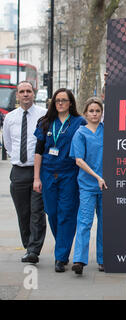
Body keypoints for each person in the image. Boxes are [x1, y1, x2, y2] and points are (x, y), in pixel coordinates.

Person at [33, 88, 87, 272]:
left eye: (64, 100)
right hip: (48, 173)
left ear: (71, 102)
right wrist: (36, 178)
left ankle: (61, 256)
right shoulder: (46, 122)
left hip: (69, 173)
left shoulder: (80, 122)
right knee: (52, 212)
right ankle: (62, 245)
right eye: (57, 100)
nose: (61, 103)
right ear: (53, 103)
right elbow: (38, 152)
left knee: (67, 213)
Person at [3, 81, 47, 264]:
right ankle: (28, 245)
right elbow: (7, 143)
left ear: (34, 93)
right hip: (18, 171)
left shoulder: (44, 115)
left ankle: (34, 250)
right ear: (18, 95)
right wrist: (17, 158)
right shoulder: (10, 118)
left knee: (37, 211)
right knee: (23, 212)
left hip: (38, 170)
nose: (26, 94)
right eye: (22, 91)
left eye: (29, 91)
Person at [70, 97, 106, 275]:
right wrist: (97, 177)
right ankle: (79, 260)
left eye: (97, 111)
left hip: (105, 186)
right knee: (84, 222)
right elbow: (78, 160)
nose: (94, 114)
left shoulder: (106, 130)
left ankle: (103, 259)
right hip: (87, 185)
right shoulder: (80, 133)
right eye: (91, 111)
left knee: (105, 224)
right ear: (85, 113)